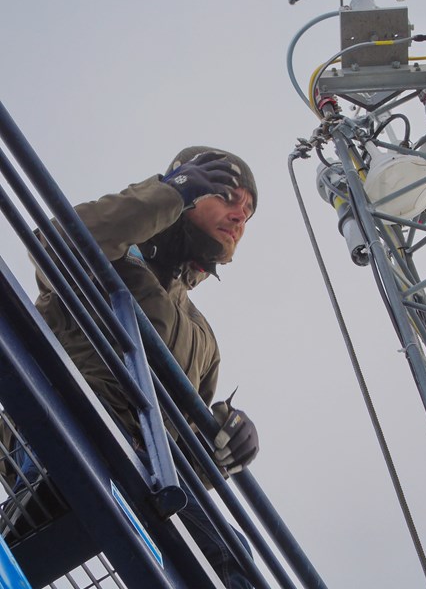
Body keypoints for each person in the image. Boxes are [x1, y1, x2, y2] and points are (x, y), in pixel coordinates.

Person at [7, 146, 260, 588]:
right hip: (66, 424)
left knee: (233, 556)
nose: (240, 216)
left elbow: (182, 448)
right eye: (227, 195)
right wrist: (168, 194)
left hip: (140, 470)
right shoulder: (114, 252)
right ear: (189, 186)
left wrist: (224, 443)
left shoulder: (202, 336)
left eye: (249, 212)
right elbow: (58, 246)